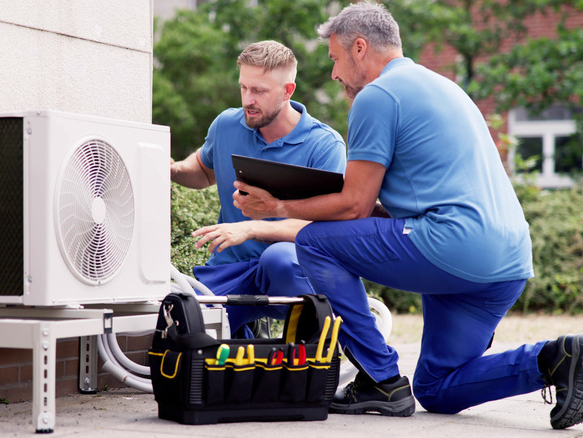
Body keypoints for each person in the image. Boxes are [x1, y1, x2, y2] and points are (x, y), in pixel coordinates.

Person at [232, 1, 583, 430]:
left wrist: (277, 207)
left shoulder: (377, 95)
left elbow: (355, 206)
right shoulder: (444, 86)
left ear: (359, 48)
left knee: (313, 243)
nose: (334, 73)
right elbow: (390, 205)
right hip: (506, 261)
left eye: (335, 59)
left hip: (450, 244)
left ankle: (380, 379)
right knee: (437, 388)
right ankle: (558, 358)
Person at [170, 40, 346, 338]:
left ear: (288, 91)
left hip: (293, 268)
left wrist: (251, 229)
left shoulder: (324, 145)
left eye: (259, 91)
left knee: (277, 259)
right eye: (244, 88)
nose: (247, 100)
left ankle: (326, 338)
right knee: (187, 330)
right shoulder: (226, 125)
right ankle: (246, 336)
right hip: (230, 267)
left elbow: (325, 228)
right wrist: (174, 170)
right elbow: (202, 170)